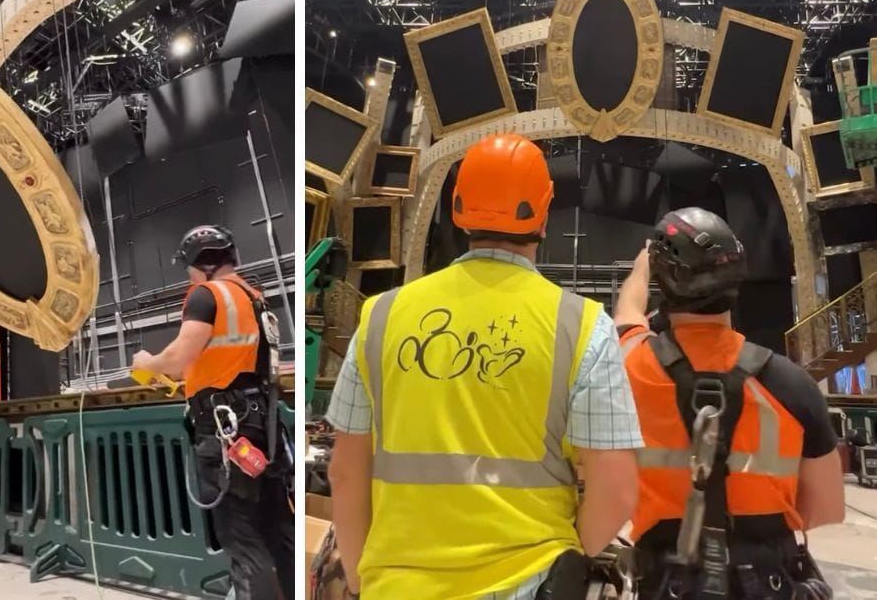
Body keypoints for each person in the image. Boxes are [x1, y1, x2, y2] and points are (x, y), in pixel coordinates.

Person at [326, 134, 644, 600]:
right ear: (543, 213)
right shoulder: (582, 326)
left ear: (457, 208)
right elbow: (617, 490)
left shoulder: (381, 316)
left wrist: (359, 577)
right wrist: (566, 561)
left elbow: (345, 472)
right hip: (527, 581)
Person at [613, 207, 844, 598]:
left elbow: (627, 314)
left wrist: (642, 269)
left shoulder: (631, 367)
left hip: (666, 582)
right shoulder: (792, 383)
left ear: (663, 281)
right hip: (771, 582)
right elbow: (826, 508)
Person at [131, 225, 293, 600]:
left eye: (188, 266)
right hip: (263, 424)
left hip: (227, 430)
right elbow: (230, 362)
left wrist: (149, 362)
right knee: (278, 530)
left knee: (242, 534)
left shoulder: (205, 295)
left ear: (203, 263)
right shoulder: (255, 298)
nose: (187, 274)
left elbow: (180, 355)